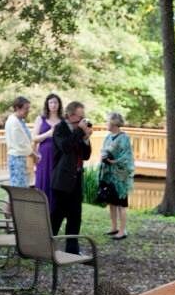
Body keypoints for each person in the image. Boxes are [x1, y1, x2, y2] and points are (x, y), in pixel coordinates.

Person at [50, 100, 93, 254]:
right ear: (70, 115)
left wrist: (86, 138)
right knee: (57, 215)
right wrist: (79, 132)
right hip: (61, 181)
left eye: (84, 118)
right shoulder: (60, 129)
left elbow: (86, 155)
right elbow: (66, 147)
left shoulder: (78, 131)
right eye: (80, 117)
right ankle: (46, 245)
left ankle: (72, 250)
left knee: (75, 216)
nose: (82, 121)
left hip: (76, 178)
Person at [99, 112, 134, 240]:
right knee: (112, 203)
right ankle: (114, 227)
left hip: (120, 177)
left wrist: (114, 161)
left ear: (114, 123)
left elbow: (127, 156)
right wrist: (104, 158)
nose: (106, 124)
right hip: (109, 175)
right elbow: (103, 150)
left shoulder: (124, 138)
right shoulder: (108, 137)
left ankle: (122, 230)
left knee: (121, 204)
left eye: (107, 121)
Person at [32, 93, 63, 212]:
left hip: (59, 157)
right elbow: (34, 138)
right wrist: (48, 134)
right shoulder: (41, 119)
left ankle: (55, 212)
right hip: (44, 156)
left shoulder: (62, 120)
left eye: (55, 102)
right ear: (47, 104)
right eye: (51, 102)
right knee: (44, 181)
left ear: (59, 104)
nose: (53, 105)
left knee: (55, 182)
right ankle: (41, 211)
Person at [4, 96, 33, 187]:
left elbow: (26, 139)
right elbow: (21, 144)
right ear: (17, 108)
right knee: (18, 187)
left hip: (21, 159)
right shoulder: (13, 122)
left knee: (20, 185)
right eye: (26, 108)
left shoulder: (20, 121)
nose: (28, 111)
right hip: (17, 159)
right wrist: (34, 155)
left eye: (28, 108)